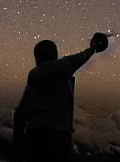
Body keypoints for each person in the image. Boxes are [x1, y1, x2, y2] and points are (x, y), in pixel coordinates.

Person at [12, 33, 109, 162]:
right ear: (54, 55)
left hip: (35, 140)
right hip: (55, 143)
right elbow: (79, 58)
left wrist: (17, 146)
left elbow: (21, 113)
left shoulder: (34, 78)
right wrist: (94, 47)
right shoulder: (57, 69)